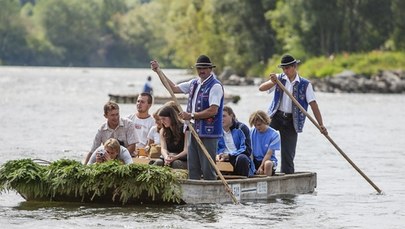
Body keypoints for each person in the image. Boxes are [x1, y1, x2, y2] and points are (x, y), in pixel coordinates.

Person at [151, 55, 224, 180]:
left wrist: (191, 115)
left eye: (204, 68)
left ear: (210, 69)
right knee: (193, 167)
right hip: (192, 129)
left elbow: (213, 110)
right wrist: (159, 72)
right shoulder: (193, 83)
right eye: (199, 68)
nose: (201, 71)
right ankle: (194, 191)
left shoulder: (215, 86)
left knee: (207, 168)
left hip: (208, 132)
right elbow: (173, 88)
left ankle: (210, 191)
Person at [259, 54, 328, 174]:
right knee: (264, 144)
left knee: (288, 154)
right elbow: (261, 88)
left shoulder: (305, 84)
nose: (285, 71)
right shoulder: (279, 79)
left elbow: (313, 105)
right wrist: (273, 82)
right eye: (283, 69)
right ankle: (262, 171)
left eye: (287, 68)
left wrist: (321, 125)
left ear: (294, 67)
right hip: (275, 117)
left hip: (292, 121)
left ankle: (287, 177)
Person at [217, 106, 255, 177]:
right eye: (219, 116)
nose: (221, 119)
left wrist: (229, 156)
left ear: (231, 116)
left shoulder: (241, 128)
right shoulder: (217, 130)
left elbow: (246, 149)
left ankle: (243, 182)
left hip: (236, 158)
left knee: (242, 158)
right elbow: (215, 148)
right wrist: (218, 155)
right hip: (221, 160)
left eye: (224, 116)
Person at [249, 110, 280, 176]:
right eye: (255, 125)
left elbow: (268, 154)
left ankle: (266, 183)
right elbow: (250, 151)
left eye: (259, 125)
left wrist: (261, 166)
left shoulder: (274, 135)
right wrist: (253, 167)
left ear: (265, 122)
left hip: (268, 160)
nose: (257, 127)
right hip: (254, 159)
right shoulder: (251, 132)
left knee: (267, 164)